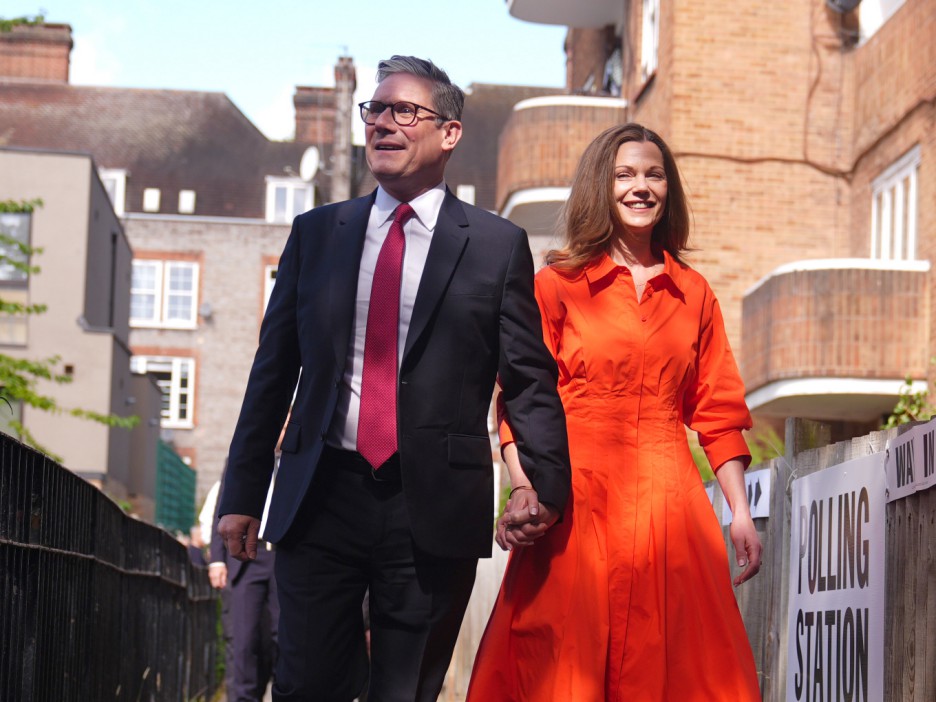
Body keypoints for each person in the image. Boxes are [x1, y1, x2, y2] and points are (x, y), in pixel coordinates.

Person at [216, 55, 570, 702]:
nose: (382, 123)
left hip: (431, 505)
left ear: (450, 133)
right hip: (320, 494)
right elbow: (272, 373)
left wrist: (543, 486)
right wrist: (241, 493)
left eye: (404, 111)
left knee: (406, 691)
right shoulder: (318, 233)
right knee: (304, 683)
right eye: (374, 110)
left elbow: (528, 378)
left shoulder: (495, 246)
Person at [466, 123, 763, 701]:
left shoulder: (695, 293)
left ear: (668, 188)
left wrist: (741, 514)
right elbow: (520, 402)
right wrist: (525, 487)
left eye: (653, 174)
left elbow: (719, 411)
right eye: (625, 174)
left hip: (671, 506)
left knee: (687, 667)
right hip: (576, 500)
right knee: (559, 665)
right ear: (601, 187)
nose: (641, 186)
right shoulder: (556, 286)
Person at [209, 480, 278, 702]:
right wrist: (217, 560)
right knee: (243, 640)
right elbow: (224, 507)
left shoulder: (304, 448)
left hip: (287, 553)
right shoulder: (249, 449)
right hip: (247, 554)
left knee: (286, 639)